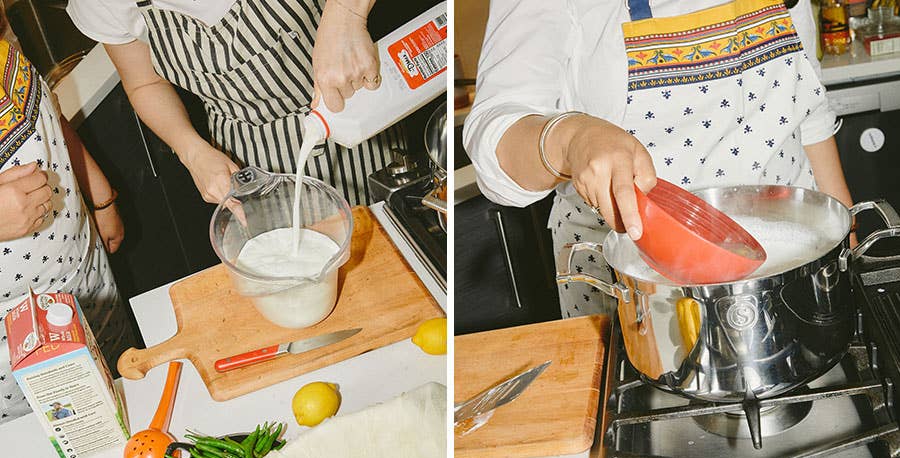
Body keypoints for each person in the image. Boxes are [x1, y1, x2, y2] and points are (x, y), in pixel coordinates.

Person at [464, 0, 854, 318]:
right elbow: (493, 141)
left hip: (791, 276)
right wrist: (572, 139)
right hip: (633, 299)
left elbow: (809, 116)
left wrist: (846, 249)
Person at [66, 0, 410, 206]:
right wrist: (192, 152)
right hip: (251, 157)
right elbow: (144, 82)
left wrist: (346, 14)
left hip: (358, 120)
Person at [0, 15, 133, 424]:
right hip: (16, 349)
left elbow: (47, 115)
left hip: (86, 279)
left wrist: (100, 195)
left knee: (130, 408)